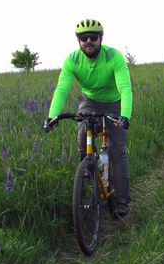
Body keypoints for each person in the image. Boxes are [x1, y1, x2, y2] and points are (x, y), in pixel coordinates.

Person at [44, 19, 133, 219]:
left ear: (101, 38)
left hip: (114, 102)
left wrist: (125, 116)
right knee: (84, 131)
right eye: (83, 38)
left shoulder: (114, 57)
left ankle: (122, 200)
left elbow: (125, 88)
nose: (88, 41)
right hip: (90, 100)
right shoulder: (73, 60)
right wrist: (52, 116)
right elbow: (62, 89)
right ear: (78, 41)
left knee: (118, 151)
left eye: (93, 37)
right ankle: (88, 167)